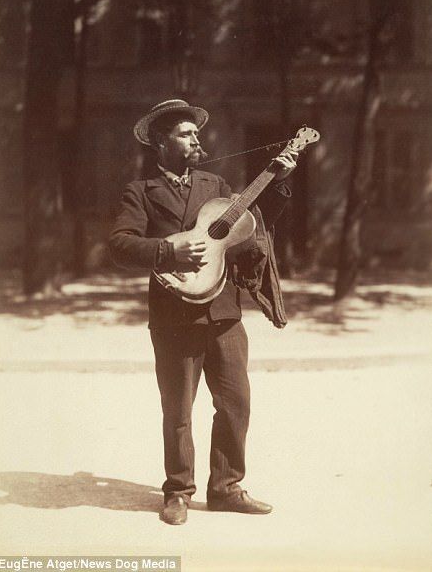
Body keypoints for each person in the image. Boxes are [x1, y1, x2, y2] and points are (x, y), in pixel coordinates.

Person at [109, 99, 297, 525]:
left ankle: (226, 488)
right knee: (178, 408)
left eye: (196, 133)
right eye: (185, 133)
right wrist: (167, 249)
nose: (196, 139)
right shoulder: (140, 191)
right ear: (161, 142)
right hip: (174, 314)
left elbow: (252, 229)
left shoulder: (217, 185)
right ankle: (177, 492)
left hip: (224, 310)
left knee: (236, 401)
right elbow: (119, 245)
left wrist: (279, 184)